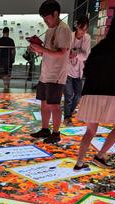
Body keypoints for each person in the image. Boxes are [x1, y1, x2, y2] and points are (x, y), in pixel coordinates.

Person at [73, 13, 115, 170]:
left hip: (90, 92)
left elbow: (87, 69)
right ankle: (100, 155)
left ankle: (79, 162)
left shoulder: (100, 46)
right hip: (109, 93)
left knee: (90, 131)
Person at [29, 0, 71, 144]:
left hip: (56, 75)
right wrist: (38, 49)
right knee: (44, 103)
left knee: (54, 104)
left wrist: (41, 49)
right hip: (46, 73)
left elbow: (61, 53)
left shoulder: (63, 29)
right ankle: (45, 129)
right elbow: (48, 52)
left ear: (56, 14)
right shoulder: (50, 30)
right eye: (44, 19)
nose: (46, 21)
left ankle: (56, 133)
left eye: (47, 18)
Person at [63, 16, 90, 125]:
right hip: (68, 70)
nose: (83, 32)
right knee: (68, 95)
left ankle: (68, 112)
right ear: (77, 27)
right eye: (81, 29)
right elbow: (66, 52)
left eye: (85, 29)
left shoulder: (87, 38)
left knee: (78, 96)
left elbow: (85, 56)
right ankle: (67, 116)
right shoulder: (70, 36)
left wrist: (76, 52)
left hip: (79, 71)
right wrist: (77, 52)